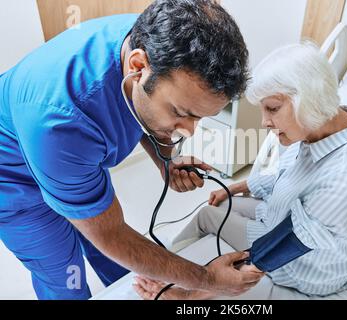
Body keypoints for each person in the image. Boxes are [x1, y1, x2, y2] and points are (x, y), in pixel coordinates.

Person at [0, 0, 263, 300]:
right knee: (64, 275)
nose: (189, 131)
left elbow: (138, 109)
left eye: (199, 117)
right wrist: (207, 279)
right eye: (181, 112)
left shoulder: (148, 37)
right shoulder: (61, 125)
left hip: (66, 158)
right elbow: (111, 234)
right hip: (14, 182)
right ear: (137, 67)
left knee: (119, 260)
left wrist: (166, 160)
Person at [134, 42, 347, 299]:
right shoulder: (326, 126)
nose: (264, 122)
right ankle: (168, 263)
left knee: (207, 216)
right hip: (283, 214)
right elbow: (291, 176)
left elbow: (278, 250)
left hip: (306, 266)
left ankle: (162, 272)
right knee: (220, 205)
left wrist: (189, 295)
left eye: (273, 108)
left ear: (310, 97)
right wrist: (238, 187)